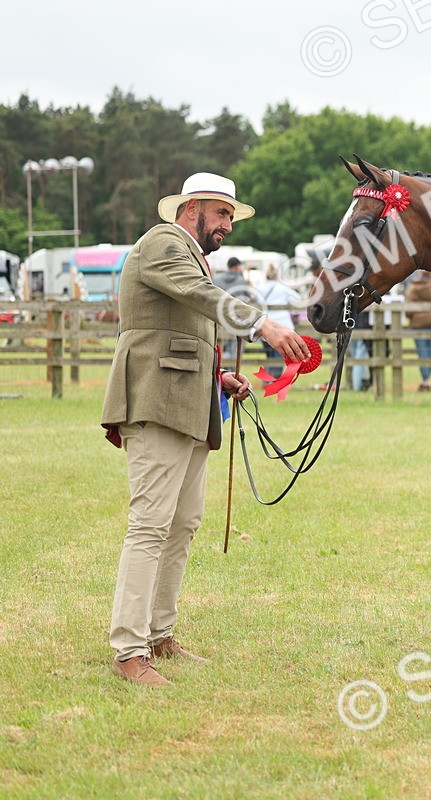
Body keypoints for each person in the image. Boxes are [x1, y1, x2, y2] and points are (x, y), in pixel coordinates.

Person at [100, 172, 309, 687]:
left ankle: (159, 635)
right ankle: (129, 651)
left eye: (230, 218)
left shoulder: (188, 252)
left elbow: (182, 327)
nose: (227, 226)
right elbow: (196, 297)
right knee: (151, 524)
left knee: (182, 522)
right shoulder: (163, 242)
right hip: (156, 400)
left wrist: (219, 376)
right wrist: (264, 324)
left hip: (189, 402)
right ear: (192, 208)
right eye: (221, 214)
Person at [256, 263, 302, 379]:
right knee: (278, 355)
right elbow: (298, 298)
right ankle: (274, 381)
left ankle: (266, 381)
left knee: (269, 356)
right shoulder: (282, 288)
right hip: (282, 325)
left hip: (264, 326)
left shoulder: (259, 287)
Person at [213, 257, 250, 360]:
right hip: (236, 319)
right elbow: (246, 297)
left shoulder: (216, 278)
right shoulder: (241, 279)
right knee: (235, 349)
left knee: (220, 347)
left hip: (219, 318)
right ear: (237, 266)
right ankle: (233, 372)